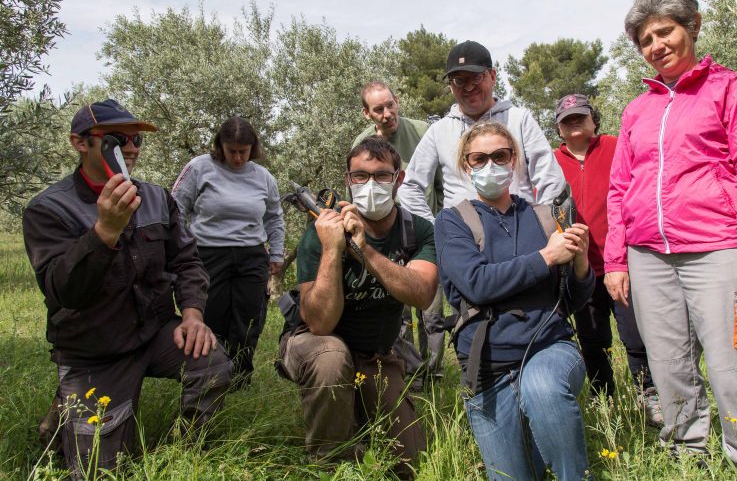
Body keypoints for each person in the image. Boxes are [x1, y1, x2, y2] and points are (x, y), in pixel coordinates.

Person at [606, 0, 737, 478]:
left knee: (734, 371)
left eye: (664, 32)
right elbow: (621, 187)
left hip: (721, 249)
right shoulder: (636, 110)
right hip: (649, 256)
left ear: (693, 26)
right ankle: (687, 463)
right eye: (645, 40)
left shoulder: (733, 88)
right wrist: (617, 260)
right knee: (668, 371)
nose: (656, 46)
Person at [22, 99, 232, 475]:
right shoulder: (48, 209)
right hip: (95, 348)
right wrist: (104, 231)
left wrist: (193, 315)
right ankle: (62, 421)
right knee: (99, 472)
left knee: (212, 363)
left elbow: (186, 262)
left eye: (136, 139)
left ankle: (183, 451)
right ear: (80, 143)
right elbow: (64, 291)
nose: (132, 148)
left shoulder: (155, 196)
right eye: (117, 139)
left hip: (150, 332)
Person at [434, 122, 594, 480]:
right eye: (480, 158)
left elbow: (570, 301)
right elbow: (476, 284)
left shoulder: (543, 216)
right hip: (488, 369)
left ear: (514, 160)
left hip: (547, 347)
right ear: (466, 164)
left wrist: (581, 264)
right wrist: (546, 258)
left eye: (500, 155)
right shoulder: (452, 221)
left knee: (543, 388)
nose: (490, 164)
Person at [278, 136, 437, 477]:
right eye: (360, 176)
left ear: (399, 179)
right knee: (332, 356)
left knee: (413, 463)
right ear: (348, 180)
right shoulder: (320, 231)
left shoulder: (417, 230)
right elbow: (319, 322)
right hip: (315, 344)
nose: (370, 184)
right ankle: (329, 464)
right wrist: (334, 249)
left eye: (381, 176)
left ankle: (354, 417)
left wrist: (364, 250)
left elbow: (422, 294)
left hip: (375, 354)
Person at [553, 93, 663, 425]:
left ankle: (650, 396)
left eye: (580, 117)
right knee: (592, 339)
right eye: (566, 119)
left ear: (593, 120)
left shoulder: (616, 147)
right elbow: (546, 204)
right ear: (558, 127)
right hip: (580, 269)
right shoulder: (550, 161)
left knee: (635, 335)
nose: (574, 124)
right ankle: (606, 402)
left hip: (622, 264)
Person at [398, 40, 566, 223]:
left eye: (476, 77)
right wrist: (435, 230)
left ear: (493, 76)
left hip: (520, 233)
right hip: (463, 239)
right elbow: (409, 186)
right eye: (459, 80)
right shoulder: (438, 131)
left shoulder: (520, 119)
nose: (469, 87)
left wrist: (545, 226)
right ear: (450, 86)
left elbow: (550, 179)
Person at [172, 117, 285, 389]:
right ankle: (209, 378)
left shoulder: (263, 177)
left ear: (252, 148)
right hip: (208, 254)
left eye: (243, 151)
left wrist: (277, 253)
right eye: (231, 150)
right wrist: (180, 248)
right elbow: (175, 208)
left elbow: (274, 218)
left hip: (251, 256)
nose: (236, 157)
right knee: (212, 318)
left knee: (248, 320)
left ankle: (240, 379)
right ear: (219, 146)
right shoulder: (200, 168)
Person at [353, 81, 446, 381]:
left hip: (424, 233)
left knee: (431, 312)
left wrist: (441, 223)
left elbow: (441, 184)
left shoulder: (422, 131)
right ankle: (411, 374)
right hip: (387, 236)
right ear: (367, 114)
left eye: (390, 104)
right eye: (378, 109)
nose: (387, 113)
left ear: (397, 101)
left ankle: (434, 371)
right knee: (398, 312)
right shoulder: (363, 144)